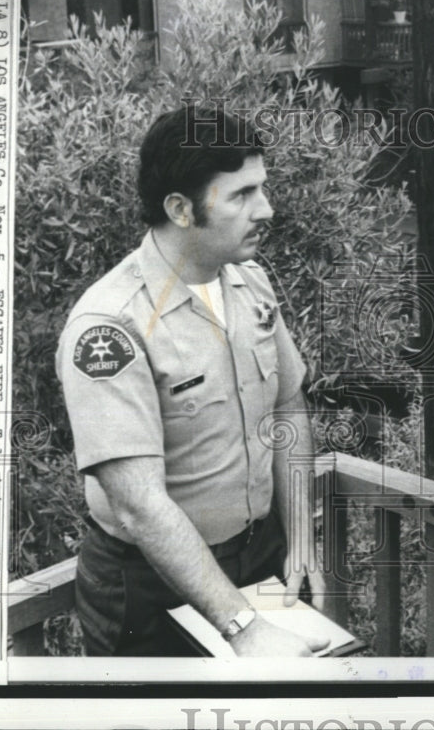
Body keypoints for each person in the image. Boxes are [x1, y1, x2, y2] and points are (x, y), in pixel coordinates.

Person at [56, 106, 328, 657]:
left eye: (263, 189)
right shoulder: (109, 328)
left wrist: (300, 536)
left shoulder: (250, 283)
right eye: (242, 195)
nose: (266, 210)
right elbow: (139, 506)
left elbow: (288, 407)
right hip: (153, 587)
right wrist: (245, 630)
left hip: (261, 557)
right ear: (180, 209)